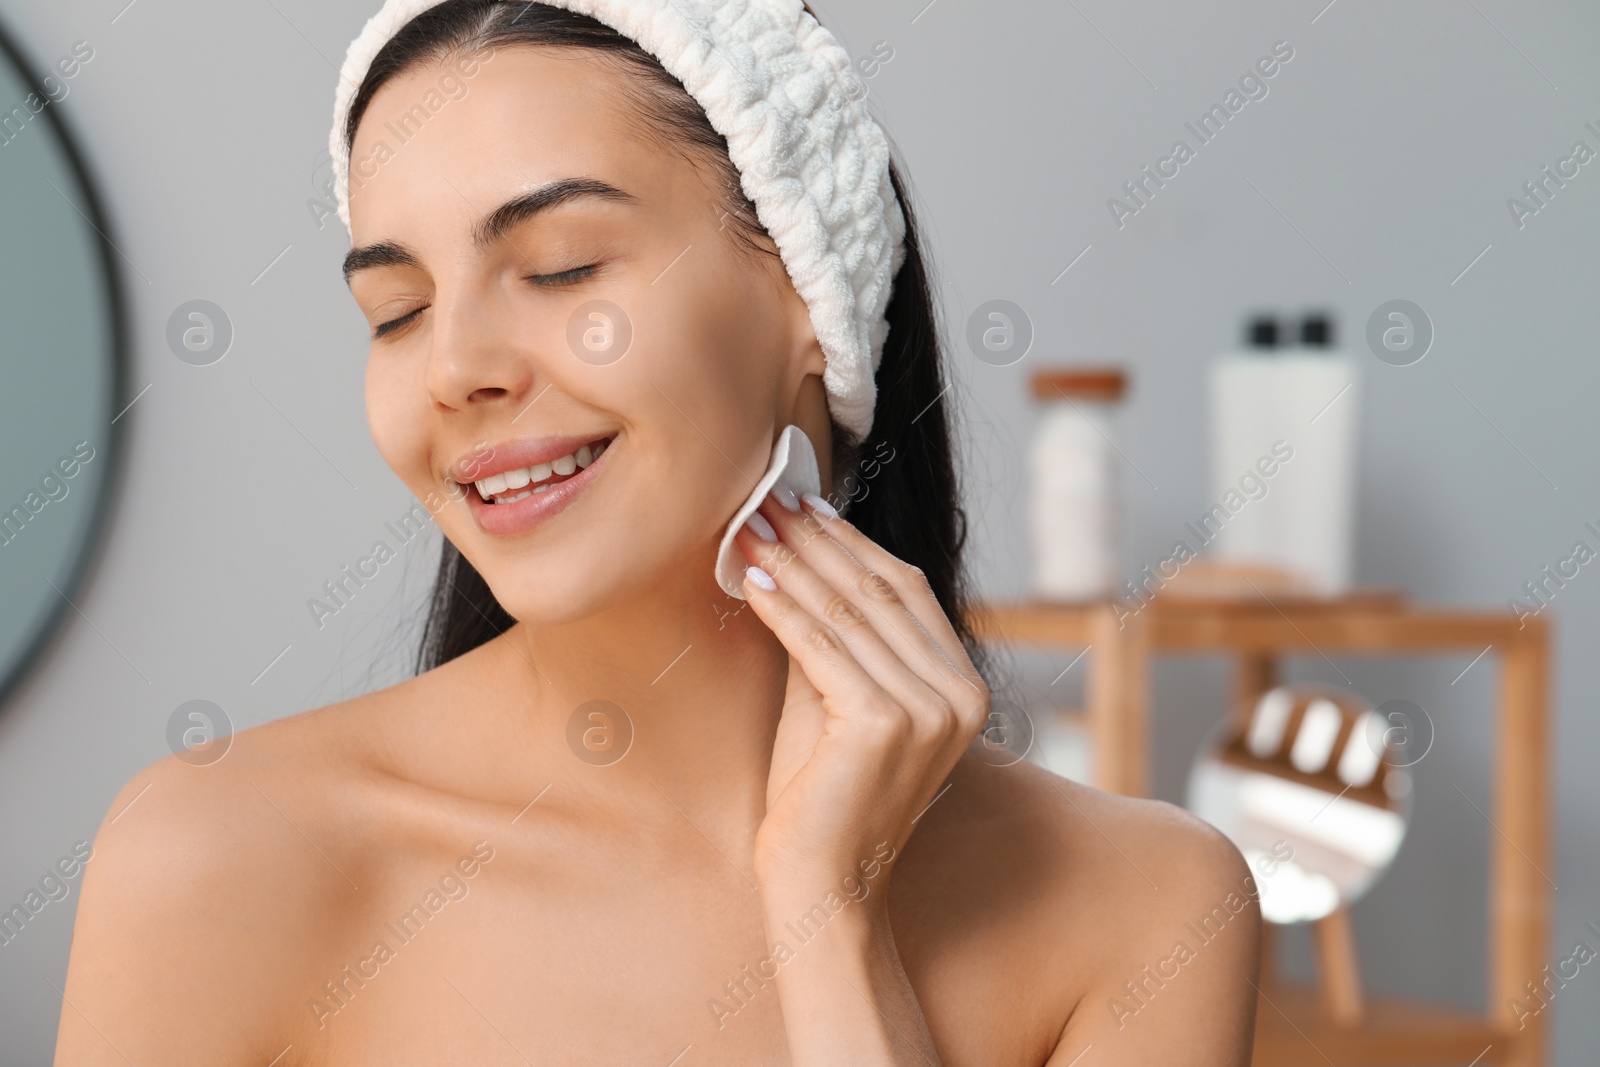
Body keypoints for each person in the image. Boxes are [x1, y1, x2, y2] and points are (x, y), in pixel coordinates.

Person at [55, 2, 1259, 1063]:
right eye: (399, 309)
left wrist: (827, 913)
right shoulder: (221, 860)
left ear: (811, 293)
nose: (456, 368)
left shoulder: (1142, 909)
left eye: (566, 267)